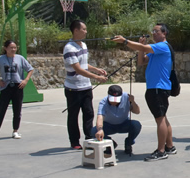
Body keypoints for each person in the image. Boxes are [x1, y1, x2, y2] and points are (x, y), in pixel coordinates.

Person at [111, 24, 177, 161]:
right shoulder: (156, 49)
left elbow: (144, 48)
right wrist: (141, 46)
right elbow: (141, 61)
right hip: (155, 87)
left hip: (158, 88)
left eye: (156, 31)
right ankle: (170, 146)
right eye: (153, 31)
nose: (153, 33)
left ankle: (161, 151)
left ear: (164, 33)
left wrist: (125, 41)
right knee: (163, 118)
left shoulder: (162, 46)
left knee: (160, 119)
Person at [63, 20, 107, 150]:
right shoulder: (69, 48)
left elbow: (83, 64)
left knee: (89, 113)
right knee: (73, 116)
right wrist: (97, 77)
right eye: (84, 29)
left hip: (86, 87)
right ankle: (74, 141)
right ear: (76, 30)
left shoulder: (83, 45)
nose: (86, 32)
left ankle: (89, 138)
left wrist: (96, 70)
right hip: (73, 89)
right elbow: (78, 69)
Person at [0, 40, 34, 142]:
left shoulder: (20, 58)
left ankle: (15, 131)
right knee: (1, 110)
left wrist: (25, 80)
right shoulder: (0, 59)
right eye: (11, 47)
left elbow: (30, 69)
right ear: (5, 48)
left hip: (18, 86)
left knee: (17, 110)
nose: (13, 49)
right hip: (6, 87)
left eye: (15, 47)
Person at [91, 85, 141, 155]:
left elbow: (137, 112)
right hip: (108, 125)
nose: (114, 102)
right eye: (112, 100)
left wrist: (133, 101)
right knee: (94, 131)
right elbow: (100, 117)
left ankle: (128, 143)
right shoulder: (103, 102)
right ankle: (110, 144)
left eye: (117, 100)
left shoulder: (127, 97)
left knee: (136, 125)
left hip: (124, 123)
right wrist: (100, 129)